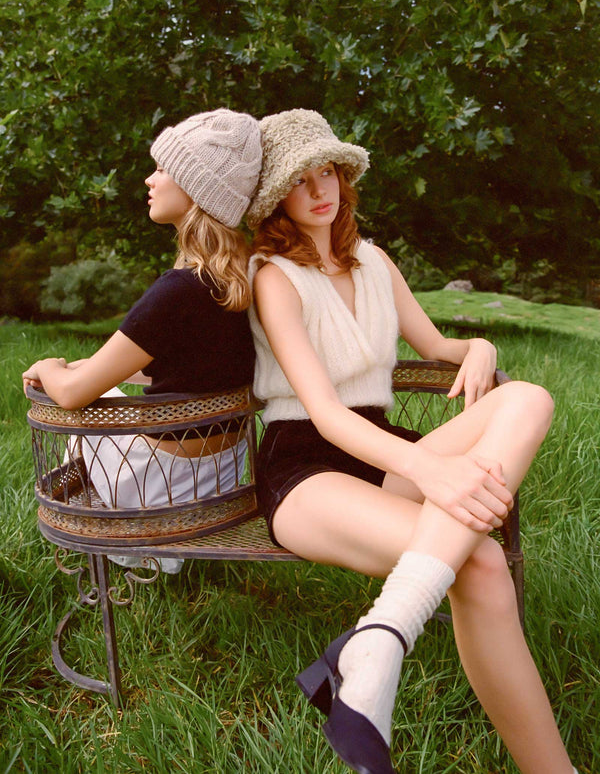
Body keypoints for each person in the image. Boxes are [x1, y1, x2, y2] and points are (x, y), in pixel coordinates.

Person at [246, 109, 577, 774]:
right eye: (300, 178)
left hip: (383, 449)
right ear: (277, 197)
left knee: (529, 397)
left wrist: (478, 345)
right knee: (479, 563)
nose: (321, 188)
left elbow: (436, 347)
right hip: (306, 467)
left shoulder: (374, 261)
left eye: (329, 171)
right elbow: (328, 415)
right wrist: (432, 470)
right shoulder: (272, 277)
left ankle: (376, 637)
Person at [23, 108, 261, 521]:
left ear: (194, 186)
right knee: (107, 385)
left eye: (161, 169)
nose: (149, 181)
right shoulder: (241, 279)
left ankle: (100, 529)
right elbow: (196, 371)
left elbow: (71, 393)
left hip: (156, 484)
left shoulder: (177, 290)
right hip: (220, 473)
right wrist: (98, 366)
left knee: (92, 400)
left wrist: (50, 366)